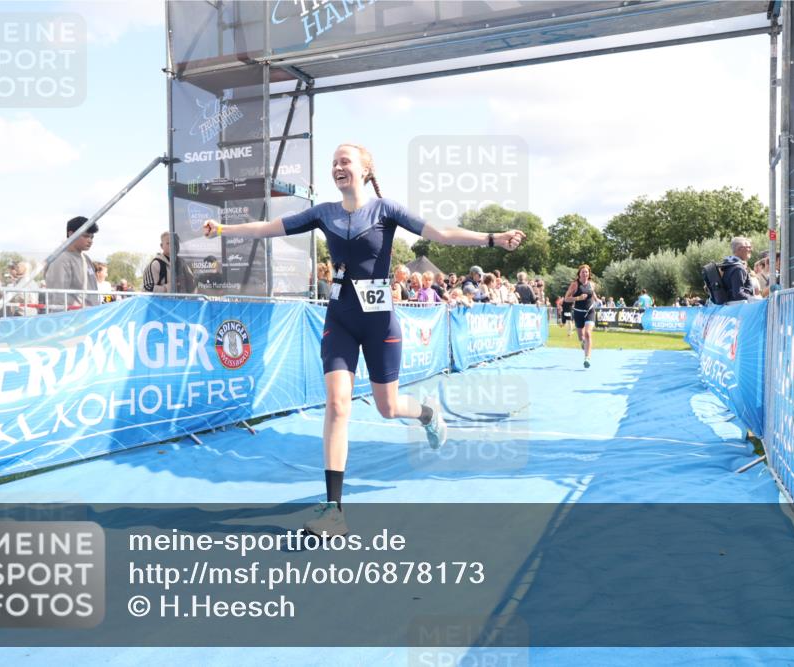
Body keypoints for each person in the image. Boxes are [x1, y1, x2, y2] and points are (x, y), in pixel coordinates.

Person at [201, 143, 525, 537]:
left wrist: (492, 239)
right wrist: (223, 229)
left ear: (365, 169)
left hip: (379, 324)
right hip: (340, 319)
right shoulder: (324, 213)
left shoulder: (386, 210)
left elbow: (441, 234)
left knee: (388, 407)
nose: (337, 167)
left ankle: (426, 414)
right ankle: (333, 509)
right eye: (333, 163)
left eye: (345, 161)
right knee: (338, 404)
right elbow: (268, 228)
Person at [45, 216, 100, 311]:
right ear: (71, 234)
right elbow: (58, 297)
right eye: (86, 236)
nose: (90, 240)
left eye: (92, 237)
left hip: (90, 316)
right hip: (72, 319)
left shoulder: (86, 258)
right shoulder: (61, 259)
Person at [564, 264, 597, 368]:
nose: (585, 274)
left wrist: (597, 299)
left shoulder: (592, 284)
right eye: (583, 272)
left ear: (589, 273)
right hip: (578, 312)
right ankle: (583, 343)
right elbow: (566, 299)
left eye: (586, 272)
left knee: (588, 333)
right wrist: (578, 298)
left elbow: (592, 293)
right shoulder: (575, 284)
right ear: (579, 274)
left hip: (590, 311)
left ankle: (587, 358)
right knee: (581, 337)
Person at [721, 237, 759, 302]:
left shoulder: (728, 265)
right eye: (748, 247)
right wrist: (756, 300)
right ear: (740, 249)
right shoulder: (738, 268)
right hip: (738, 308)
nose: (751, 249)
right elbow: (738, 294)